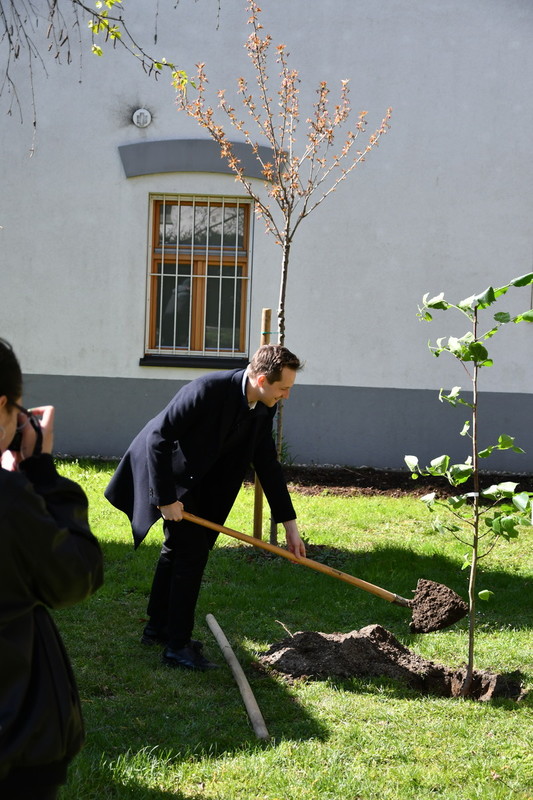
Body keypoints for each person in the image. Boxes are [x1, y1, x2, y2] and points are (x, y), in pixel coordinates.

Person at [105, 344, 306, 672]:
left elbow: (266, 463)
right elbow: (158, 437)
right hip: (170, 474)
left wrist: (289, 525)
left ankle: (158, 629)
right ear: (259, 378)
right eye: (283, 388)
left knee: (176, 551)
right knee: (190, 557)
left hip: (204, 482)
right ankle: (177, 646)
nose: (286, 396)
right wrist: (165, 498)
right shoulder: (206, 390)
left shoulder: (264, 406)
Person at [0, 339, 104, 800]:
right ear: (3, 405)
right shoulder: (8, 500)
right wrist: (41, 472)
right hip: (14, 735)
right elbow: (74, 576)